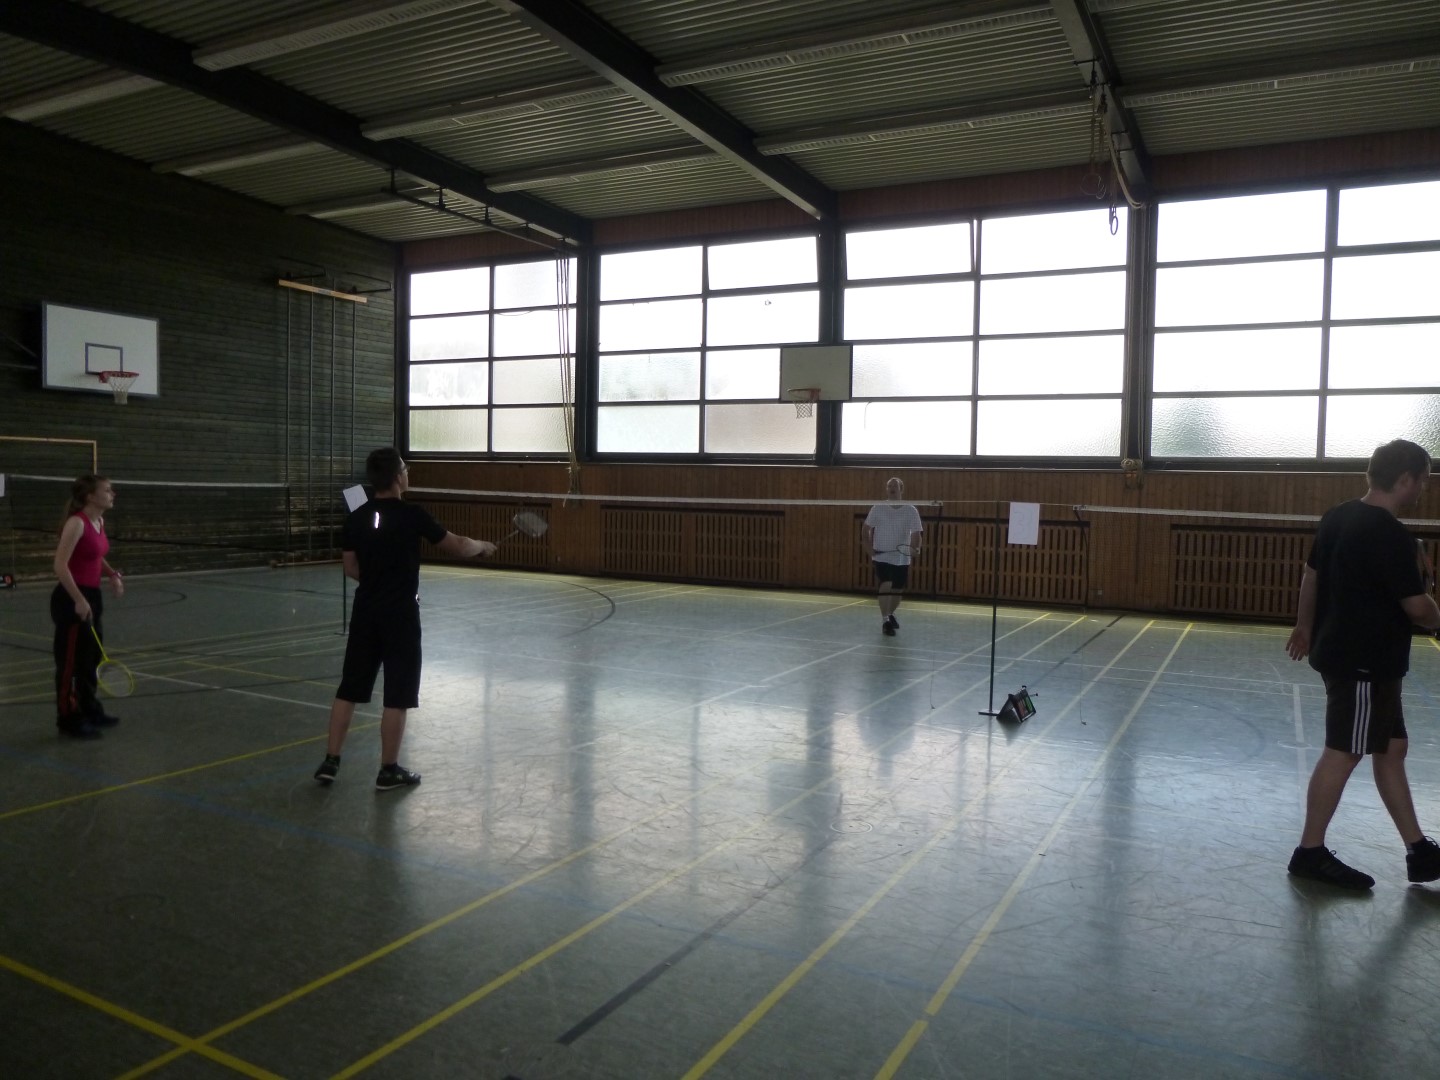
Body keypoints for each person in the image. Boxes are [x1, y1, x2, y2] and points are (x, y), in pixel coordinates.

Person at [1285, 438, 1440, 889]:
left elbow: (1311, 575)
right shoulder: (1390, 535)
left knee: (1391, 748)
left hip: (1358, 657)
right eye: (1423, 480)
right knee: (1345, 750)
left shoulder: (1338, 516)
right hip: (1363, 663)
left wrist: (1304, 626)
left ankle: (1419, 851)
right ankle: (1309, 852)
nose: (1424, 489)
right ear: (1405, 479)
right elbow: (1417, 607)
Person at [314, 448, 496, 790]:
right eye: (406, 469)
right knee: (397, 695)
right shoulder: (413, 515)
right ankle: (388, 770)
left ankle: (330, 761)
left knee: (349, 689)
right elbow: (457, 545)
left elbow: (350, 567)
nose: (408, 473)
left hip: (365, 613)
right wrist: (481, 546)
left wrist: (376, 581)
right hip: (400, 616)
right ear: (398, 477)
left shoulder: (356, 517)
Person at [52, 475, 124, 739]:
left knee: (90, 658)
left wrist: (112, 574)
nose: (113, 494)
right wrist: (78, 599)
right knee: (70, 664)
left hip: (92, 596)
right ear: (91, 496)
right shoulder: (76, 523)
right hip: (72, 598)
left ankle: (90, 709)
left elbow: (95, 554)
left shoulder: (99, 522)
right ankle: (68, 718)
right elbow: (60, 565)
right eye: (107, 490)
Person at [862, 477, 923, 637]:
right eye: (889, 486)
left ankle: (890, 614)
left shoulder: (911, 510)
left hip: (901, 557)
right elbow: (866, 528)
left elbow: (916, 533)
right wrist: (868, 547)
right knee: (886, 584)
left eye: (895, 486)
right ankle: (885, 621)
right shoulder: (878, 508)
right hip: (881, 555)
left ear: (901, 489)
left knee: (897, 590)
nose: (891, 488)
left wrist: (915, 548)